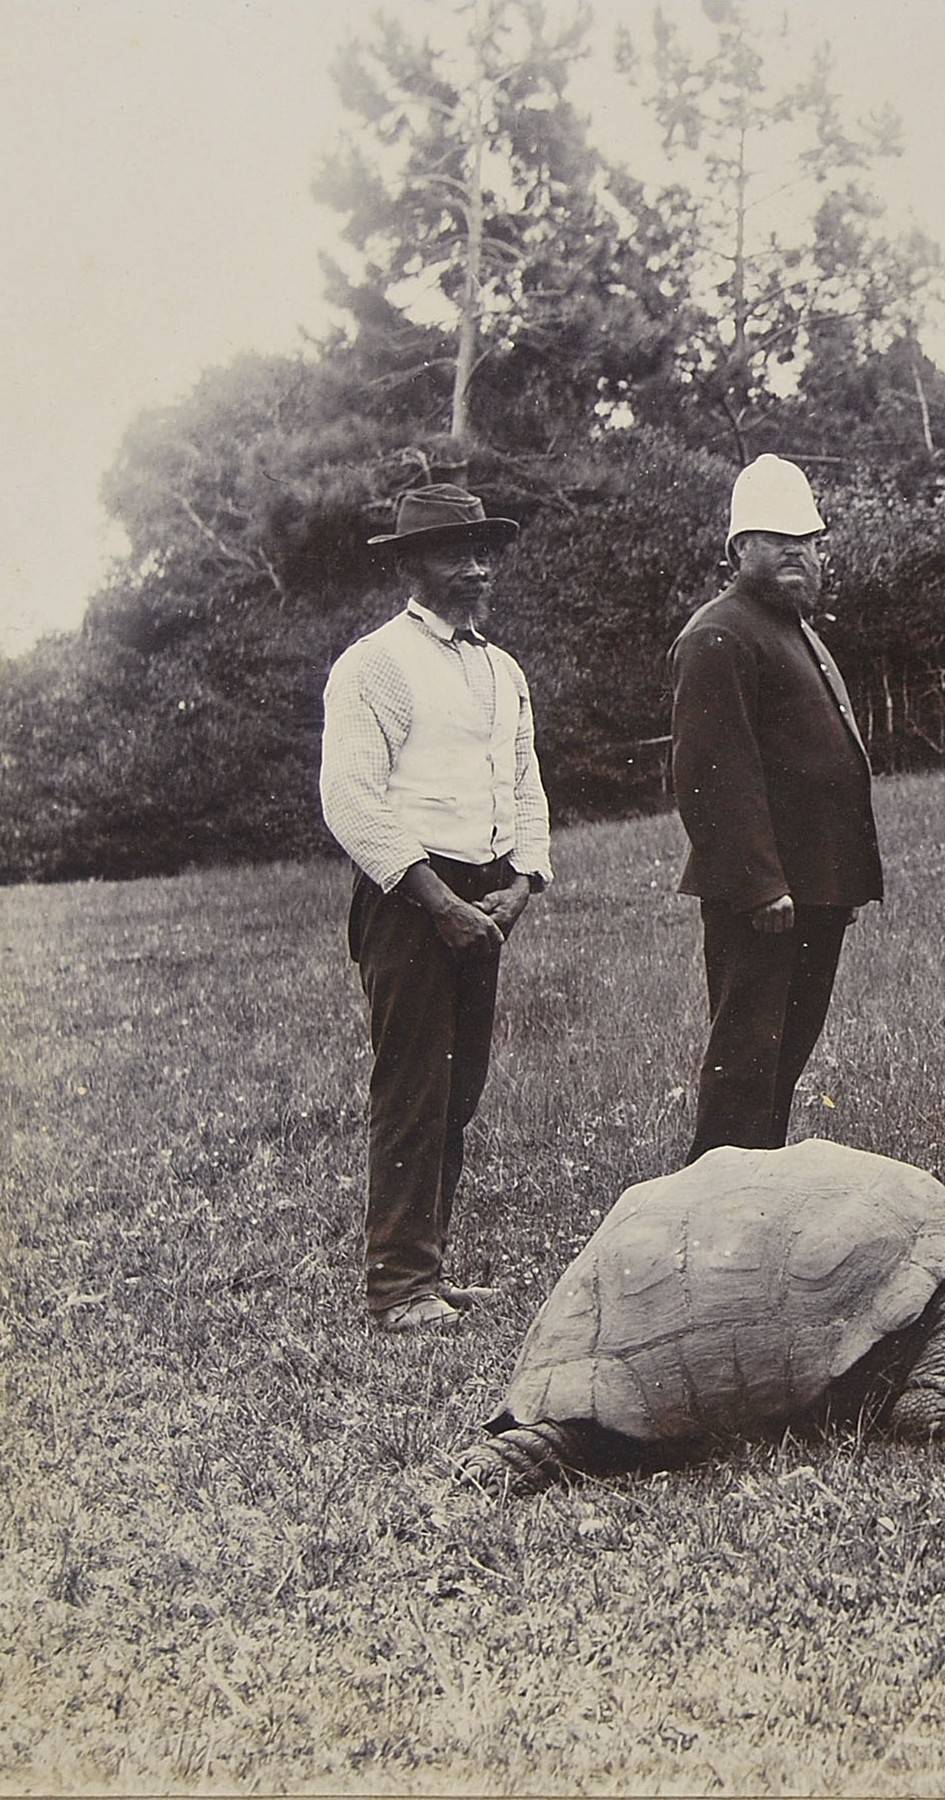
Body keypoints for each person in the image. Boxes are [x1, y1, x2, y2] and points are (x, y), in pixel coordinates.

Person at [320, 483, 552, 1332]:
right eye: (457, 551)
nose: (478, 567)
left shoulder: (502, 668)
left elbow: (524, 782)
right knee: (412, 1089)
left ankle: (430, 1269)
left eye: (486, 551)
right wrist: (437, 900)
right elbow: (351, 799)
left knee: (458, 1092)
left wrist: (523, 882)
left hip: (485, 899)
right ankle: (397, 1287)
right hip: (410, 902)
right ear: (411, 564)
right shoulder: (375, 664)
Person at [669, 454, 883, 1163]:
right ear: (738, 550)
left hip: (814, 889)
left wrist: (838, 882)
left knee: (781, 1061)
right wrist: (761, 883)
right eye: (775, 537)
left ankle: (754, 1198)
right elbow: (712, 775)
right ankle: (713, 1214)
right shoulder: (720, 634)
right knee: (744, 1063)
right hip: (764, 897)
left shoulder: (795, 630)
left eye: (809, 539)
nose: (797, 551)